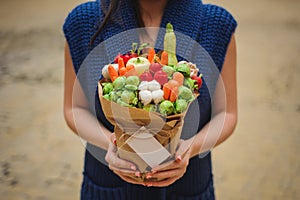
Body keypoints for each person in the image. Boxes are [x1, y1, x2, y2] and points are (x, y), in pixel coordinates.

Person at [63, 0, 237, 199]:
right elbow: (74, 109)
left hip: (190, 186)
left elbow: (227, 113)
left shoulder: (216, 24)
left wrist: (190, 149)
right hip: (108, 187)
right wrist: (112, 144)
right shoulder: (82, 21)